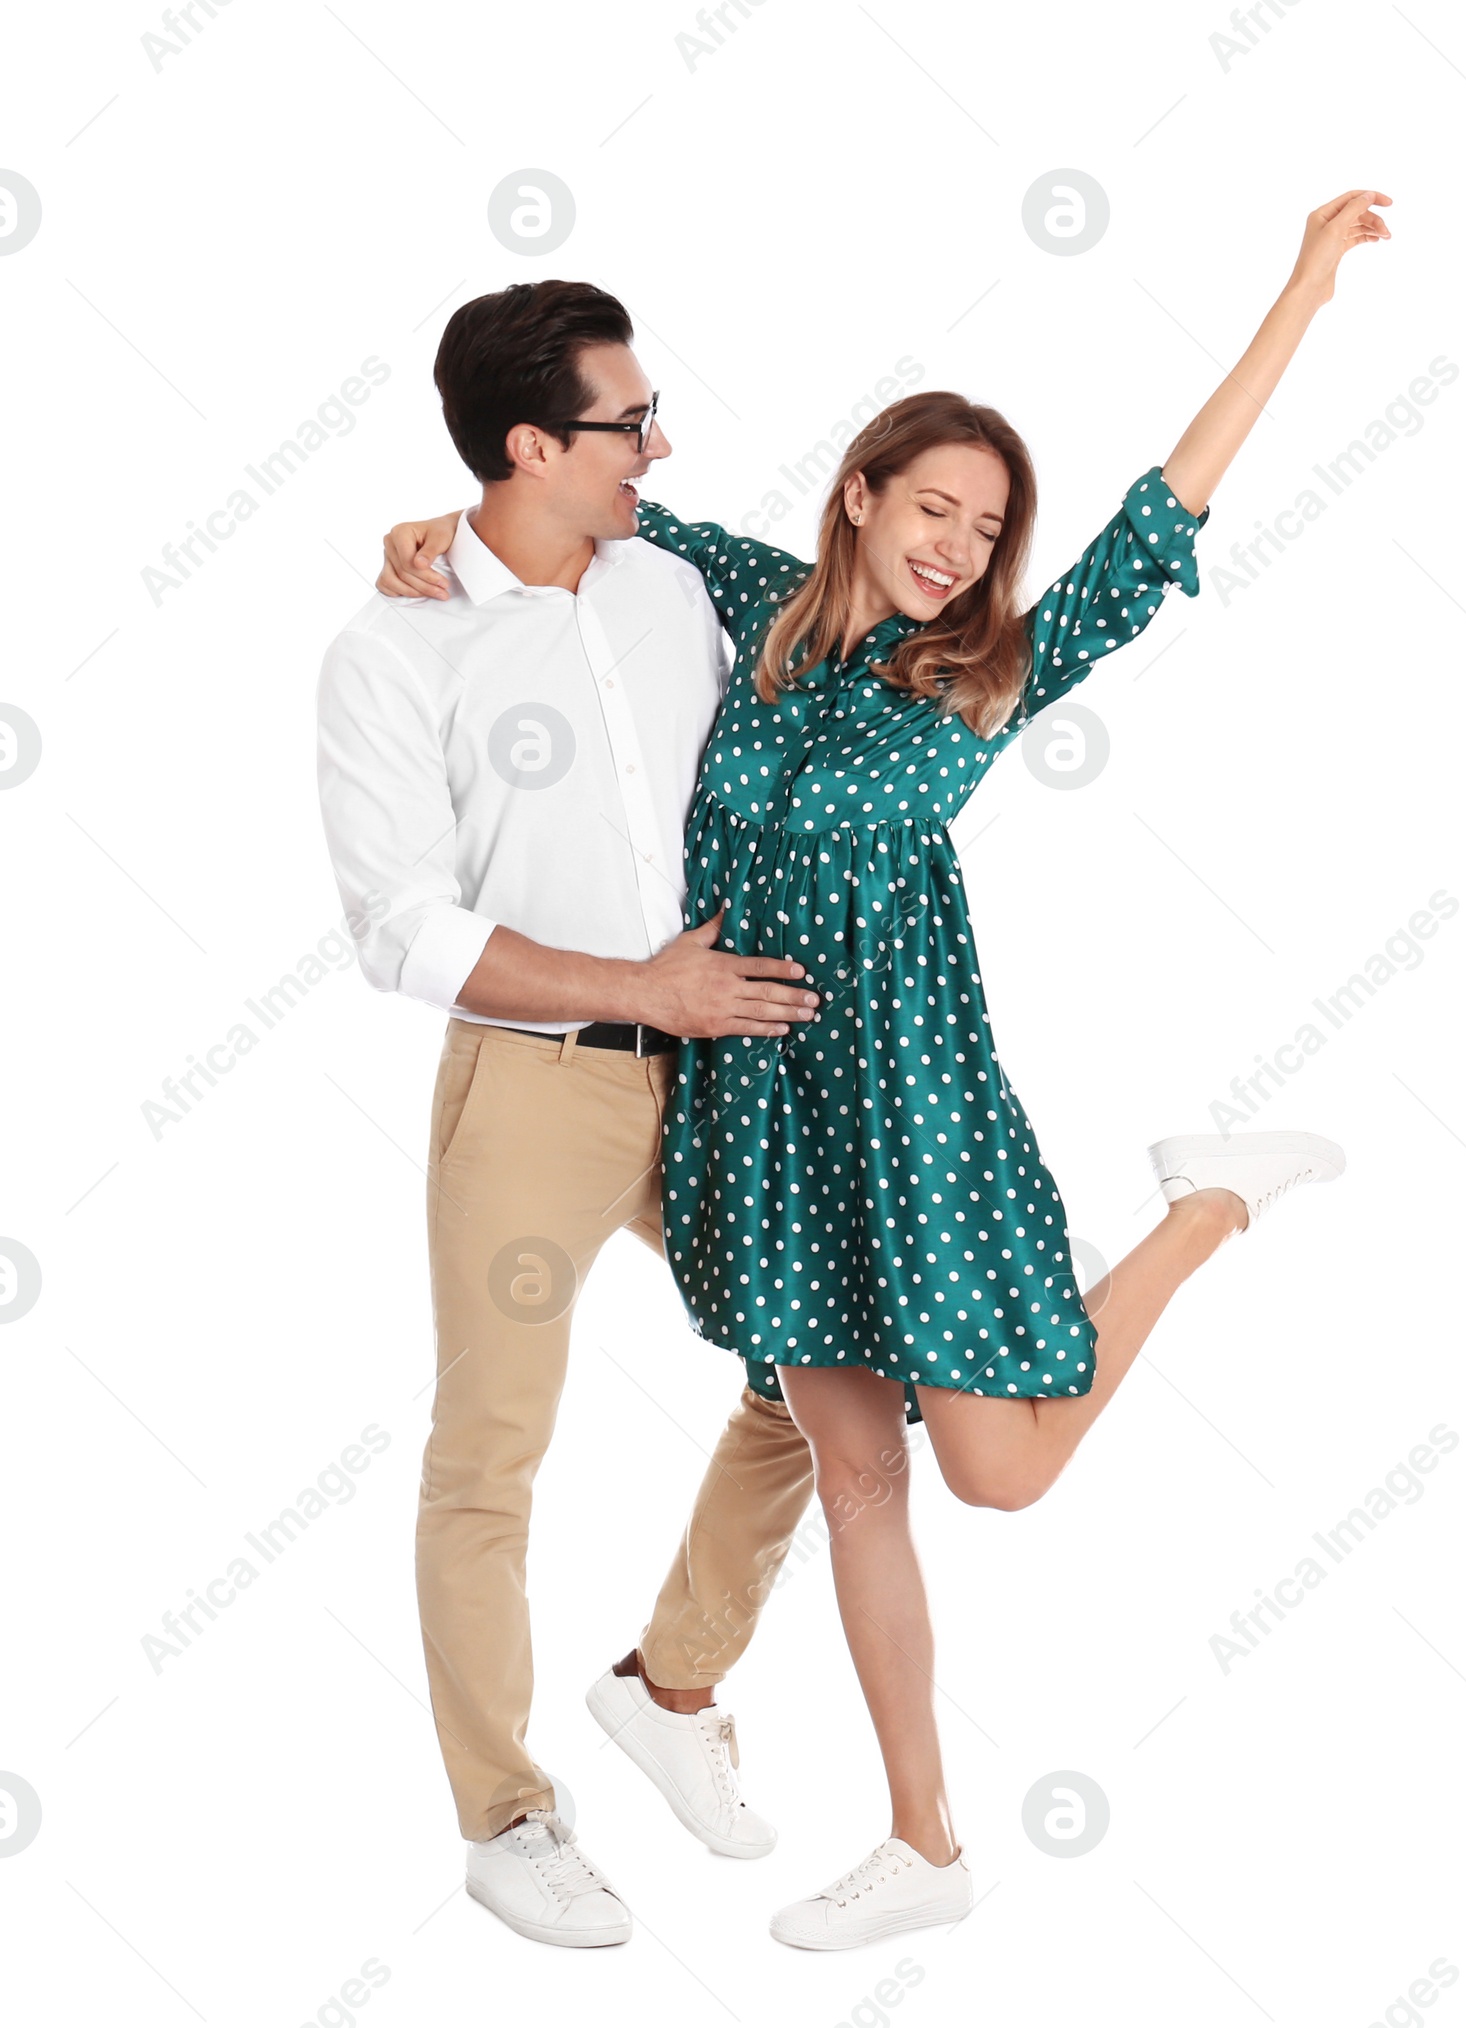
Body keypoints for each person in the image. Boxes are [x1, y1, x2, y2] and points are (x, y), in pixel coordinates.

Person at [376, 186, 1391, 1949]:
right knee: (851, 1475)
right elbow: (570, 502)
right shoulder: (742, 602)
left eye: (987, 527)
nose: (957, 547)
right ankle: (922, 1840)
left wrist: (1300, 287)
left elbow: (1168, 516)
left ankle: (1209, 1205)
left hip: (908, 1113)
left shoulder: (985, 671)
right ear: (857, 494)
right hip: (757, 1119)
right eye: (933, 507)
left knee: (999, 1474)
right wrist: (422, 532)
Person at [317, 279, 826, 1952]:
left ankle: (671, 1684)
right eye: (629, 423)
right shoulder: (394, 650)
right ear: (535, 442)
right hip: (534, 1084)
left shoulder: (668, 584)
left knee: (840, 1376)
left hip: (726, 1073)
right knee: (491, 1457)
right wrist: (637, 981)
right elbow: (403, 926)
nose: (660, 449)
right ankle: (507, 1816)